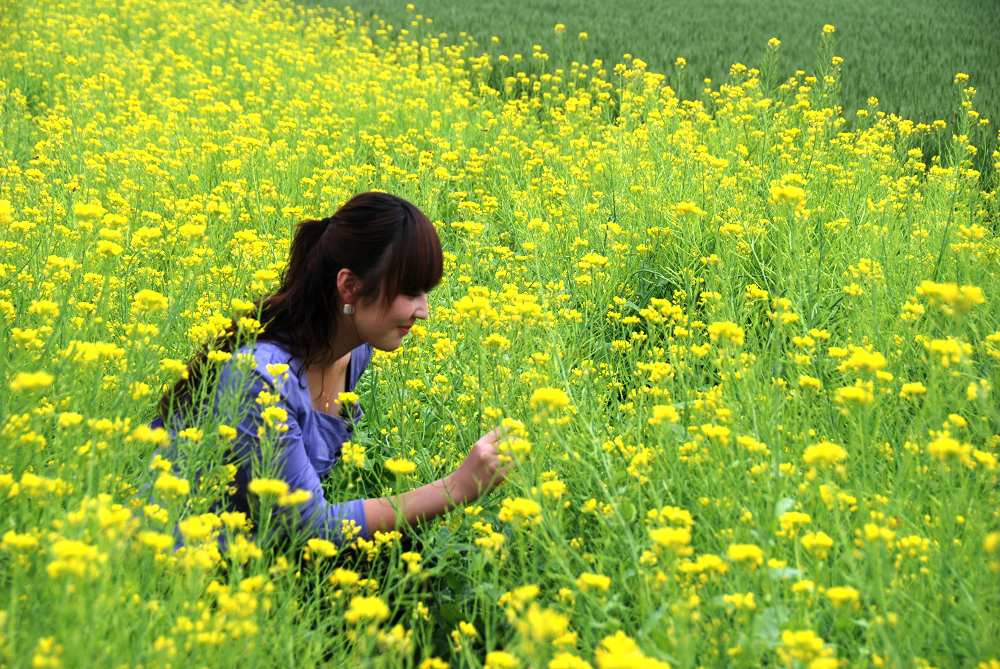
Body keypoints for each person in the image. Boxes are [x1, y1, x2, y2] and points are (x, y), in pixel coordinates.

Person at [144, 192, 509, 554]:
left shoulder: (353, 352)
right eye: (410, 293)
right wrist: (457, 487)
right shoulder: (261, 379)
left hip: (258, 557)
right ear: (349, 286)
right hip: (172, 563)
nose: (424, 311)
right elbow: (310, 525)